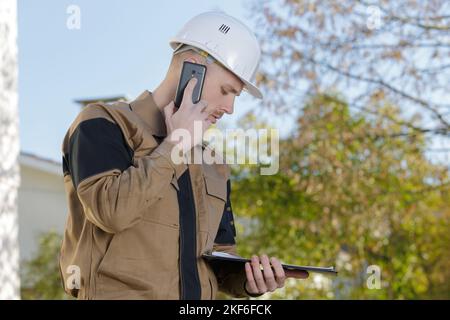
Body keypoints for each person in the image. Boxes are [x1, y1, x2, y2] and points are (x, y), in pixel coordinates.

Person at [59, 11, 308, 300]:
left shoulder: (214, 164)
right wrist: (177, 144)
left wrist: (250, 281)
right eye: (226, 91)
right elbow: (111, 212)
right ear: (193, 70)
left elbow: (218, 258)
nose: (229, 109)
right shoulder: (102, 123)